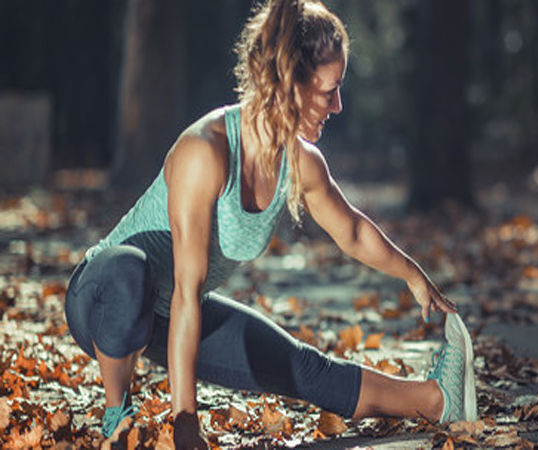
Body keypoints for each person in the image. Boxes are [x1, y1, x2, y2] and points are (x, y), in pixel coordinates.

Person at [63, 0, 476, 447]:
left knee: (302, 366)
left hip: (170, 315)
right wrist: (186, 422)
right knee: (130, 269)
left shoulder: (300, 163)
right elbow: (186, 290)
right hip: (102, 301)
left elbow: (352, 231)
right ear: (292, 84)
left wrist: (414, 276)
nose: (337, 105)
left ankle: (435, 400)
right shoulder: (205, 152)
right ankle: (117, 420)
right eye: (329, 91)